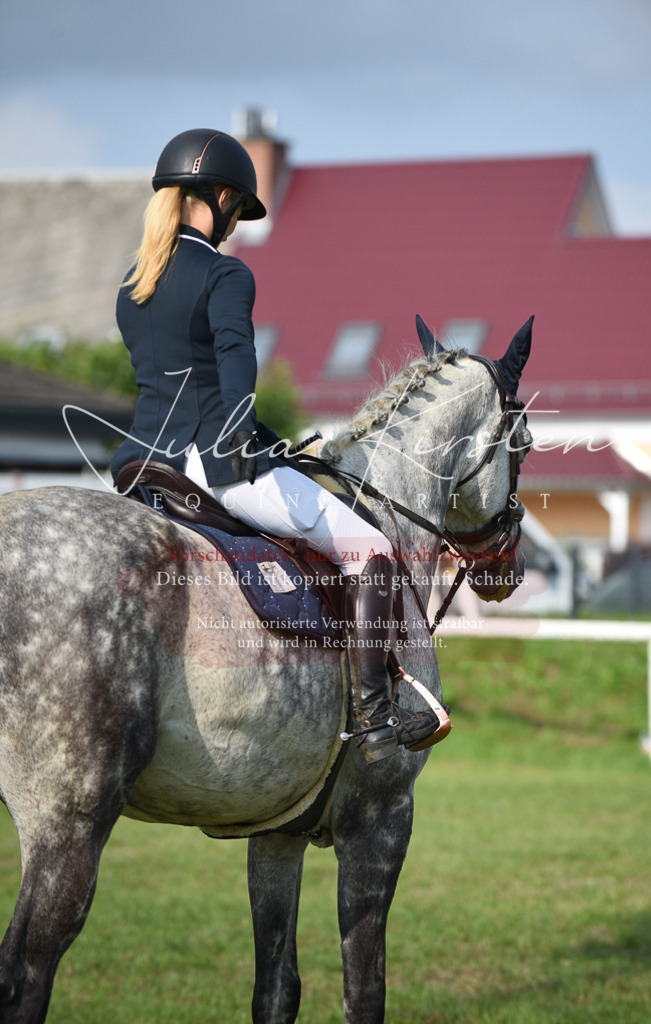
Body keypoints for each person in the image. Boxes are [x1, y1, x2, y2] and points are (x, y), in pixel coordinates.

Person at [111, 127, 444, 762]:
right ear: (218, 197)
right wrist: (245, 440)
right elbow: (234, 363)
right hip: (213, 465)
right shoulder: (225, 274)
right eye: (235, 209)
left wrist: (273, 443)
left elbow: (175, 383)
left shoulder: (135, 283)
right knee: (371, 547)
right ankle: (375, 719)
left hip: (140, 462)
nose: (234, 226)